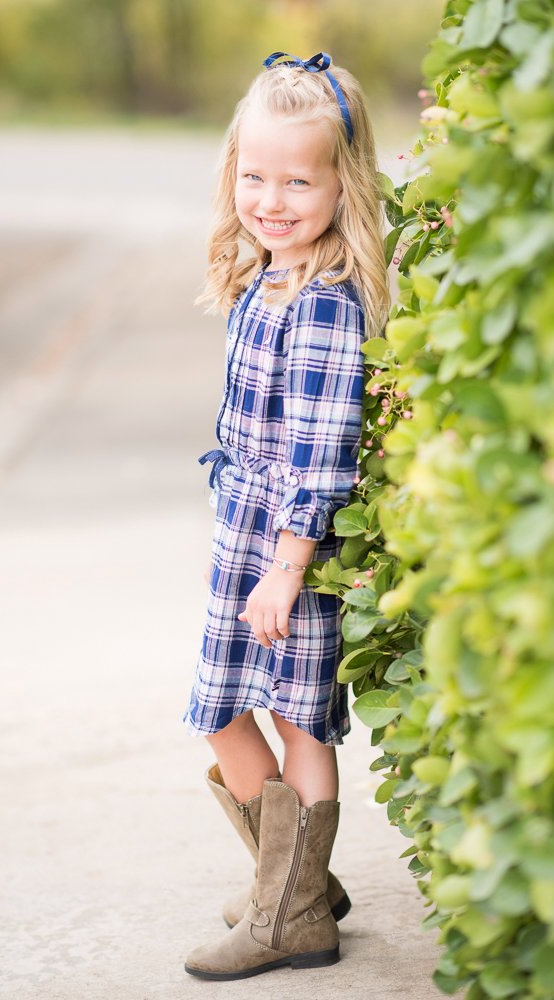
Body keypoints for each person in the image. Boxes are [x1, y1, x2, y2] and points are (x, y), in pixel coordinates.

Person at [182, 50, 390, 981]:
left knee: (297, 721)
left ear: (340, 187)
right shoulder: (259, 279)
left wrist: (289, 563)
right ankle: (293, 880)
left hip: (288, 551)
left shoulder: (325, 305)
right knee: (223, 711)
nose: (272, 198)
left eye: (298, 180)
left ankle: (294, 914)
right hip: (248, 542)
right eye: (254, 175)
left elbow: (320, 450)